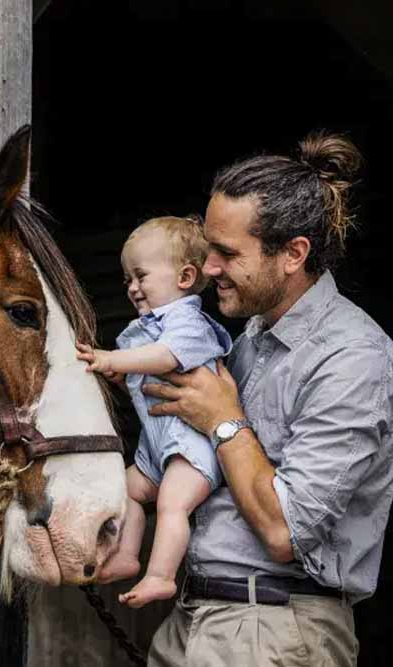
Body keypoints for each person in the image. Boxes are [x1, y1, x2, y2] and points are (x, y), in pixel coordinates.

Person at [141, 132, 393, 666]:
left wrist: (225, 421)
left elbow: (286, 531)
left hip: (273, 631)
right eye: (209, 247)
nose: (208, 268)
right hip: (195, 618)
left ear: (293, 254)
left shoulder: (352, 357)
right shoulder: (247, 337)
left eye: (228, 253)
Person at [75, 216, 231, 608]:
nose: (131, 287)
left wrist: (115, 357)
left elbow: (164, 358)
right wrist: (119, 374)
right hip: (157, 452)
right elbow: (147, 378)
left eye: (140, 275)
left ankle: (161, 575)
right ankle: (128, 554)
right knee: (122, 489)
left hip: (192, 451)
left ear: (184, 277)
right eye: (127, 278)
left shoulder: (189, 323)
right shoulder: (147, 328)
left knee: (171, 504)